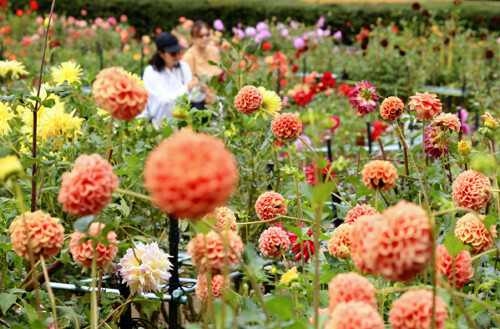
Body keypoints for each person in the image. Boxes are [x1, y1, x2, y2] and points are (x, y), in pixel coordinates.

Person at [139, 32, 206, 123]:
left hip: (181, 123)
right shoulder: (151, 72)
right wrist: (187, 88)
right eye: (173, 53)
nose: (177, 56)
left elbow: (192, 98)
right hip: (159, 125)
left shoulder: (183, 66)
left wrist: (200, 91)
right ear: (161, 54)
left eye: (178, 52)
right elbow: (164, 101)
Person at [182, 21, 225, 110]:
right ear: (193, 38)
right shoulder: (188, 56)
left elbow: (220, 71)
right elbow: (187, 83)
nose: (205, 38)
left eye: (207, 35)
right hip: (198, 102)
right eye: (200, 36)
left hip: (216, 96)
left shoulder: (214, 51)